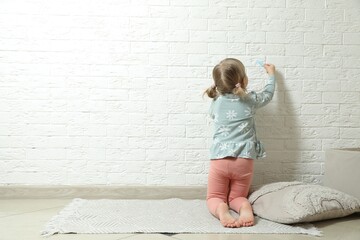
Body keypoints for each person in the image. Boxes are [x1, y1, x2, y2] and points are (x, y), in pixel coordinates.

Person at [204, 58, 276, 228]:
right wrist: (271, 76)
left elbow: (213, 115)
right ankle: (243, 207)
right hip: (244, 160)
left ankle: (221, 208)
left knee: (214, 197)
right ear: (243, 80)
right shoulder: (250, 99)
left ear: (217, 84)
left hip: (220, 159)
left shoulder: (216, 103)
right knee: (237, 197)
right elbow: (268, 95)